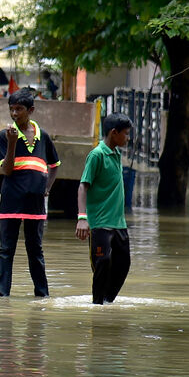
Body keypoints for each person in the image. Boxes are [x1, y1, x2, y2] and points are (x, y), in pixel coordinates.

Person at [0, 88, 60, 297]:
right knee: (6, 251)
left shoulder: (44, 137)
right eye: (11, 109)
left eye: (19, 109)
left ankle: (42, 295)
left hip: (35, 203)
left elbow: (54, 165)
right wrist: (12, 143)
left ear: (30, 110)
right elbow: (7, 169)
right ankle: (2, 297)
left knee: (35, 251)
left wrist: (47, 188)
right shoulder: (4, 137)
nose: (14, 114)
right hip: (11, 200)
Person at [75, 112, 132, 304]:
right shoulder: (97, 155)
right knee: (103, 263)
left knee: (124, 264)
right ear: (114, 133)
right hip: (99, 223)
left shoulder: (116, 154)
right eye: (125, 133)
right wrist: (82, 218)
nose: (128, 138)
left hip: (119, 223)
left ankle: (107, 302)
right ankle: (97, 306)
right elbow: (83, 186)